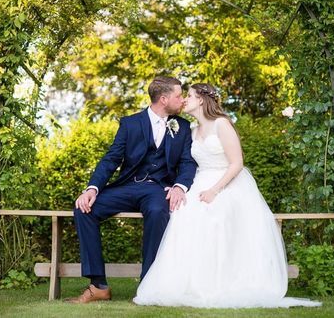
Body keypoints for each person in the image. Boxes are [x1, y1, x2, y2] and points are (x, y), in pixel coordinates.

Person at [133, 83, 321, 308]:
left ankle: (218, 282)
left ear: (201, 100)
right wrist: (174, 186)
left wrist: (215, 190)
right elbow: (185, 165)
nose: (185, 100)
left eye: (190, 96)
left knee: (216, 214)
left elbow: (237, 163)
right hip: (200, 182)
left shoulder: (221, 124)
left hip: (227, 183)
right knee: (182, 214)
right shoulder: (191, 130)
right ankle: (187, 282)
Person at [68, 76, 197, 304]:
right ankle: (98, 286)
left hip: (158, 189)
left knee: (159, 212)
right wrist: (92, 189)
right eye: (179, 95)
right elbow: (111, 159)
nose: (183, 99)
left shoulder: (183, 127)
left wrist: (179, 186)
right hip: (128, 186)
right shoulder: (130, 123)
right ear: (164, 99)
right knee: (83, 209)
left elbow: (187, 162)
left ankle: (149, 285)